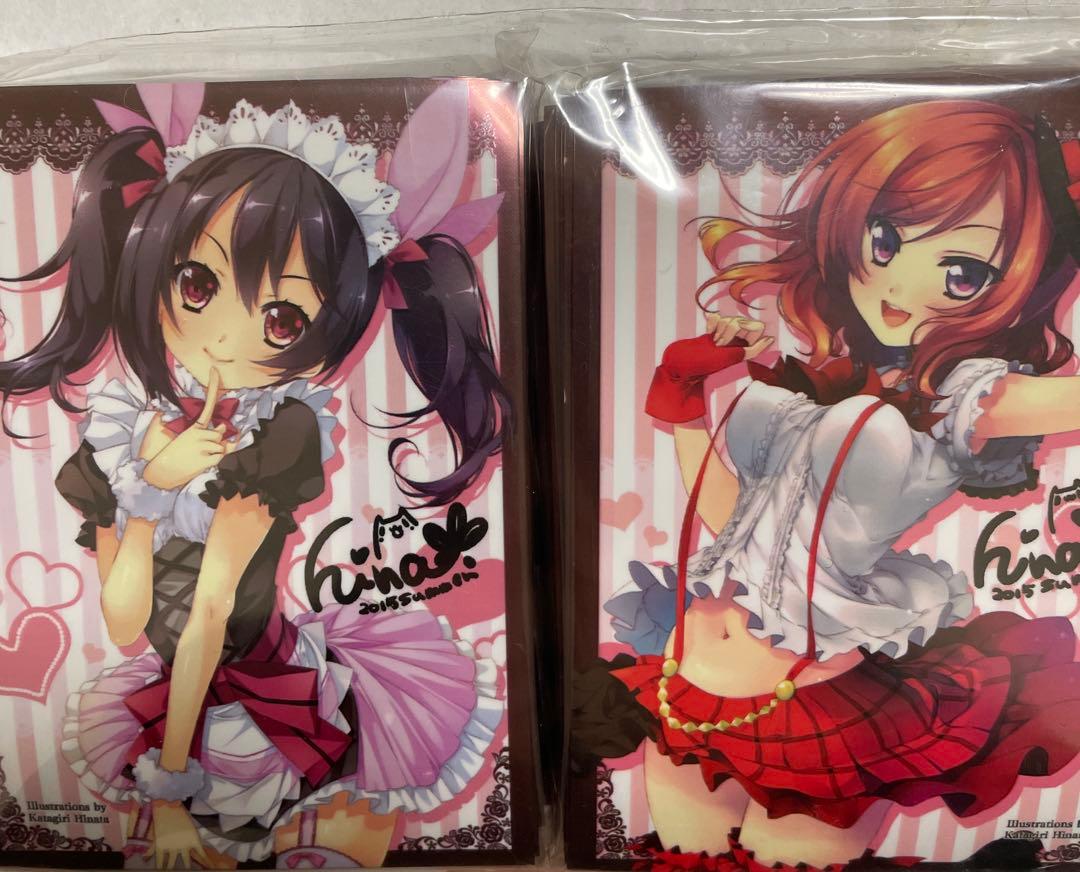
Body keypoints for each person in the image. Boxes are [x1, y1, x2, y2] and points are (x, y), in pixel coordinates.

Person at [1, 85, 507, 868]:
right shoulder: (117, 431)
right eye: (197, 285)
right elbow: (127, 621)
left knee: (283, 829)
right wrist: (150, 486)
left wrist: (170, 786)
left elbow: (213, 611)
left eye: (281, 319)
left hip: (253, 676)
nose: (222, 337)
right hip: (177, 675)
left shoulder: (280, 430)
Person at [604, 100, 1080, 869]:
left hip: (812, 705)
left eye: (962, 271)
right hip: (692, 687)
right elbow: (732, 517)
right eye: (884, 238)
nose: (897, 287)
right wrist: (685, 404)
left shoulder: (965, 396)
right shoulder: (825, 363)